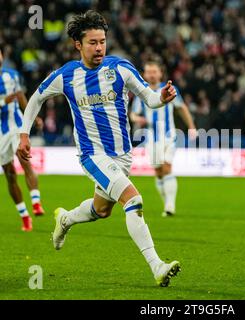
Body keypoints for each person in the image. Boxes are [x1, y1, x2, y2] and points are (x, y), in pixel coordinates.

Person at [17, 11, 180, 287]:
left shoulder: (120, 68)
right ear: (78, 45)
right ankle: (157, 266)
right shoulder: (67, 75)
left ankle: (66, 219)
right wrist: (24, 133)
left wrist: (162, 98)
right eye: (92, 42)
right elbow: (36, 98)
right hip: (92, 155)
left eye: (102, 41)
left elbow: (150, 98)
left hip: (122, 155)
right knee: (134, 201)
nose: (99, 48)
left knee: (101, 210)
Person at [130, 61, 196, 217]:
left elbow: (182, 108)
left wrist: (191, 126)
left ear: (160, 73)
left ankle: (169, 206)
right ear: (144, 74)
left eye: (155, 71)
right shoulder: (141, 92)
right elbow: (133, 114)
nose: (152, 74)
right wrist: (137, 119)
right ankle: (166, 202)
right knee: (159, 172)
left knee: (167, 167)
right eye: (149, 71)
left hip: (169, 136)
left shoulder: (170, 90)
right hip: (151, 138)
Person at [0, 46, 45, 232]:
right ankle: (24, 216)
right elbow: (10, 99)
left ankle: (36, 202)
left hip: (18, 125)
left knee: (25, 160)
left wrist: (32, 117)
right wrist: (4, 101)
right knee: (10, 175)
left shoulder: (12, 74)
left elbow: (21, 97)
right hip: (1, 132)